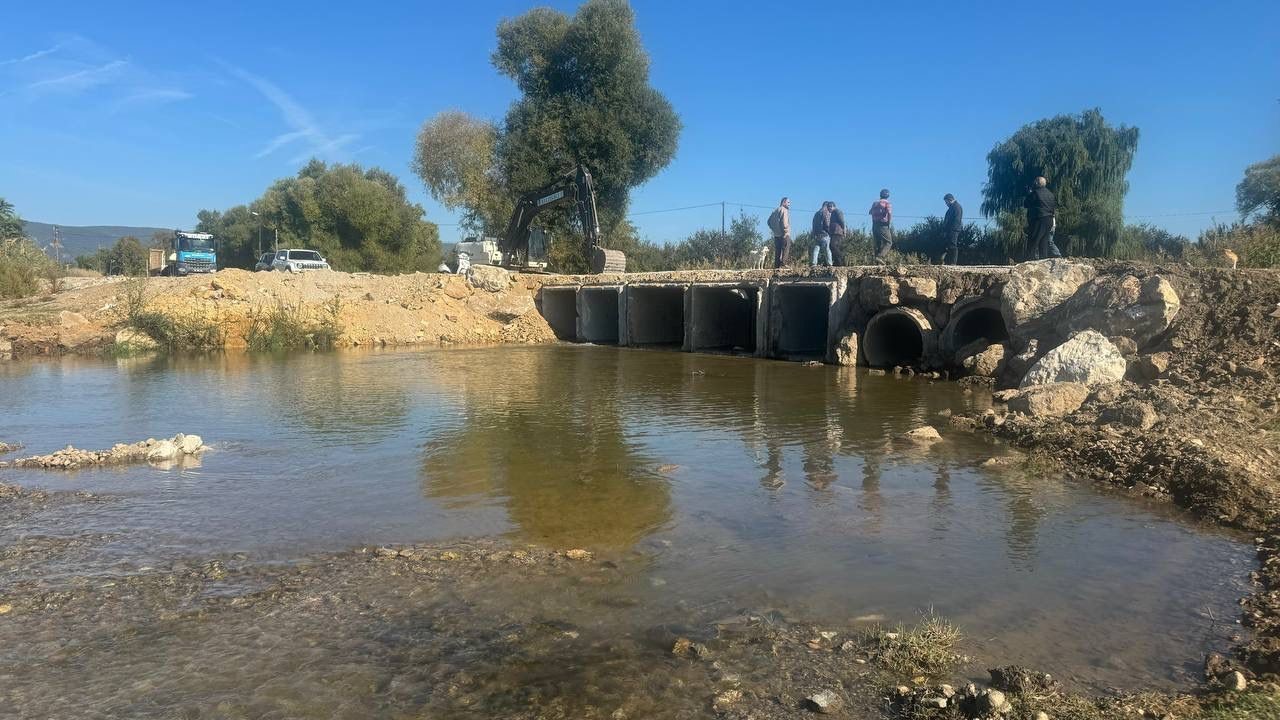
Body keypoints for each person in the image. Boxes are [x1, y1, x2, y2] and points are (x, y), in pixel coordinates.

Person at [1024, 177, 1061, 260]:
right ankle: (1043, 260)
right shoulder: (1050, 194)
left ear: (1037, 183)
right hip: (1049, 220)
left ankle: (1030, 260)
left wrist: (1029, 194)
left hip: (1039, 219)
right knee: (1043, 242)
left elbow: (1026, 204)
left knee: (1033, 240)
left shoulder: (1035, 193)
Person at [767, 197, 792, 268]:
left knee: (778, 251)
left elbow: (768, 222)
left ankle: (776, 266)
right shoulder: (784, 210)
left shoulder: (775, 210)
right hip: (784, 234)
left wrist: (774, 230)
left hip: (776, 235)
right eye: (788, 202)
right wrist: (785, 232)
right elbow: (784, 223)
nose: (789, 204)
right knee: (786, 248)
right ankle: (783, 264)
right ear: (784, 202)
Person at [870, 189, 893, 259]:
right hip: (883, 224)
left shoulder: (875, 203)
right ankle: (880, 257)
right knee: (889, 242)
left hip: (874, 224)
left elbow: (870, 212)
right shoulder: (887, 203)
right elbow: (889, 213)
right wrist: (889, 222)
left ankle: (876, 261)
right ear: (888, 195)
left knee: (878, 243)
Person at [942, 193, 963, 265]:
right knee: (948, 246)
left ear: (949, 200)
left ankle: (953, 262)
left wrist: (950, 229)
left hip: (953, 229)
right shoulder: (952, 207)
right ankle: (948, 262)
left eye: (946, 202)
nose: (946, 204)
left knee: (953, 245)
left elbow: (956, 220)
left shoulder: (956, 207)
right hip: (950, 230)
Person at [810, 202, 833, 267]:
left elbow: (813, 224)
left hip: (817, 235)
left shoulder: (816, 213)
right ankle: (830, 264)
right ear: (826, 206)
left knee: (816, 249)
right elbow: (827, 224)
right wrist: (829, 232)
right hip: (824, 234)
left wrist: (814, 233)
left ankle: (814, 263)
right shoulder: (826, 212)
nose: (829, 208)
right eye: (828, 206)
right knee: (827, 249)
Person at [828, 202, 846, 266]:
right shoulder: (832, 213)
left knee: (833, 246)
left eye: (830, 206)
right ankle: (837, 262)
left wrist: (844, 229)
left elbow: (842, 221)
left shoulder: (837, 211)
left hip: (837, 231)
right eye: (828, 207)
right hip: (833, 232)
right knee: (833, 246)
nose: (828, 208)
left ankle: (841, 261)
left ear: (833, 206)